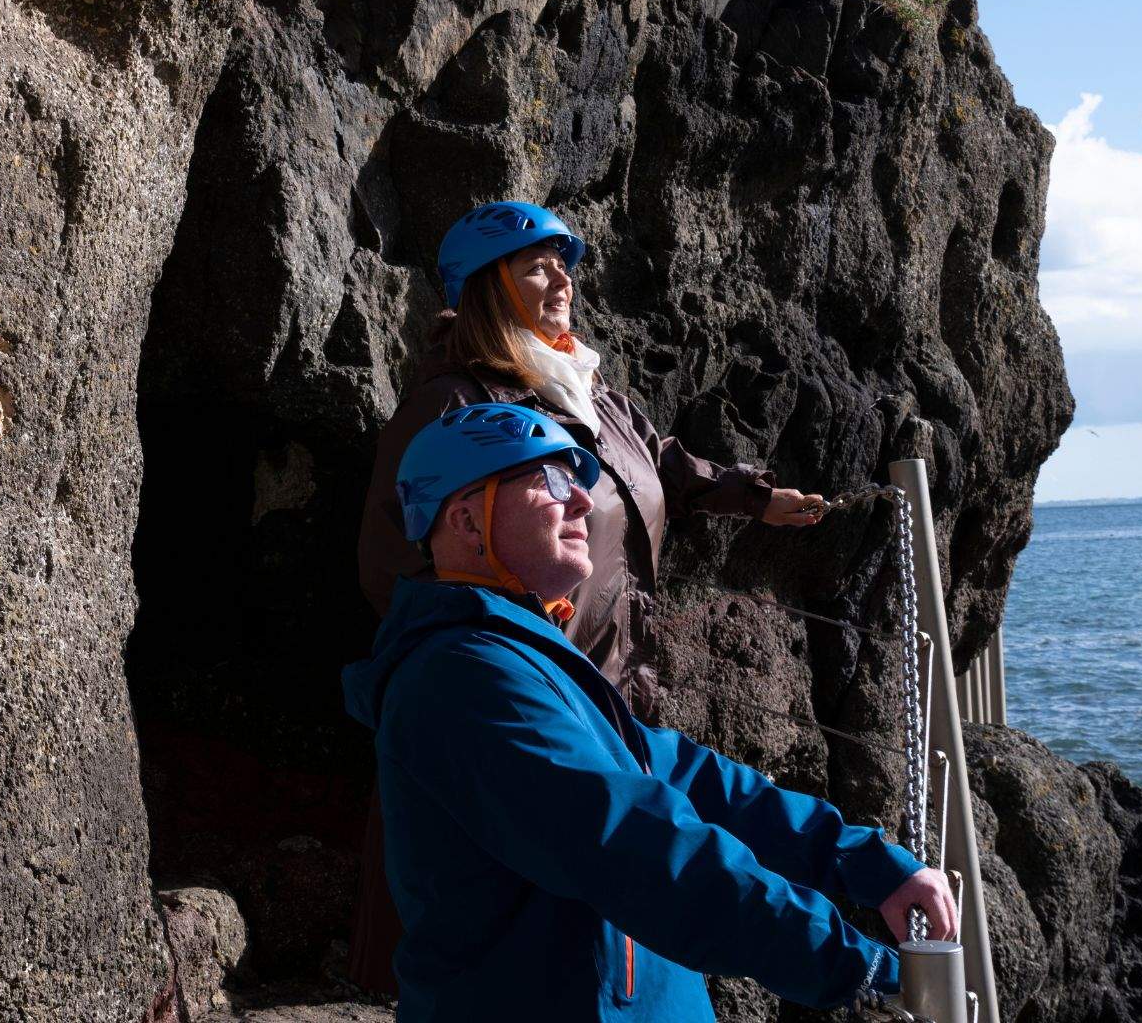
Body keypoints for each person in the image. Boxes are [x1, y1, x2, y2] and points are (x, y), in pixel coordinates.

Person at [341, 403, 956, 1021]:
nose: (583, 502)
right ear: (467, 521)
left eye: (581, 482)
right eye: (551, 481)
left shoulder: (525, 658)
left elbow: (686, 774)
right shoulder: (466, 678)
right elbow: (631, 840)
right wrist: (857, 964)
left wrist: (865, 861)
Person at [349, 201, 828, 991]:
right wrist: (500, 646)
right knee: (542, 900)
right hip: (522, 692)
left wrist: (753, 495)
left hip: (612, 674)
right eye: (535, 264)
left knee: (624, 867)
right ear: (485, 287)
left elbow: (658, 460)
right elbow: (393, 555)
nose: (561, 277)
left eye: (563, 261)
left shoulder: (586, 389)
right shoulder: (454, 406)